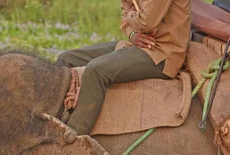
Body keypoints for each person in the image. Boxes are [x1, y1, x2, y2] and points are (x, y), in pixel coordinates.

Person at [56, 0, 191, 136]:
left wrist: (131, 15)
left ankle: (72, 139)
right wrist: (132, 34)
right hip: (137, 44)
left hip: (162, 54)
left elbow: (146, 22)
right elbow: (125, 10)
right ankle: (54, 121)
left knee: (96, 70)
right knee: (66, 59)